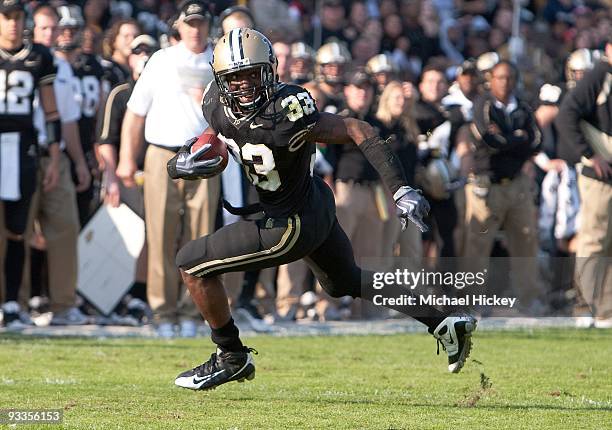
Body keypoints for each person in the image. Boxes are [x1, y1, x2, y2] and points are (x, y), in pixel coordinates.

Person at [167, 28, 477, 391]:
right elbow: (214, 134)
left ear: (271, 70)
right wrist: (182, 162)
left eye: (254, 74)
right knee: (346, 280)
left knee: (191, 262)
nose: (246, 86)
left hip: (289, 223)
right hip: (315, 204)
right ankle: (441, 321)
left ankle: (231, 356)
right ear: (222, 80)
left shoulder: (288, 110)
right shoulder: (216, 102)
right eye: (236, 78)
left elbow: (358, 129)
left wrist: (399, 187)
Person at [117, 0, 221, 338]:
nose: (195, 29)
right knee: (160, 234)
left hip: (204, 152)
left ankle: (195, 309)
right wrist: (126, 159)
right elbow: (136, 112)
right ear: (178, 26)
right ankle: (162, 311)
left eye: (200, 22)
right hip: (162, 152)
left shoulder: (219, 61)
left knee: (201, 237)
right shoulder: (161, 60)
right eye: (190, 22)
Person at [29, 4, 92, 325]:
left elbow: (68, 122)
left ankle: (64, 304)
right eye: (44, 29)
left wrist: (78, 162)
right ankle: (16, 304)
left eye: (54, 29)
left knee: (65, 229)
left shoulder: (62, 68)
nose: (51, 35)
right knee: (16, 231)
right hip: (22, 153)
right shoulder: (19, 64)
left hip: (57, 157)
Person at [0, 0, 61, 326]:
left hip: (22, 147)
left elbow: (51, 112)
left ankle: (11, 301)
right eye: (6, 16)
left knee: (16, 230)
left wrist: (53, 157)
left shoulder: (39, 56)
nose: (12, 23)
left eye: (17, 17)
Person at [465, 60, 543, 311]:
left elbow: (536, 141)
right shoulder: (483, 105)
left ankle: (527, 299)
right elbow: (488, 140)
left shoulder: (522, 107)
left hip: (517, 183)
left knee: (526, 240)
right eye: (500, 78)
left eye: (509, 78)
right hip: (488, 184)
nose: (505, 83)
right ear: (491, 79)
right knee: (479, 244)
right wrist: (517, 138)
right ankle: (473, 300)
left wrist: (510, 139)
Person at [556, 38, 612, 328]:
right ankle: (584, 307)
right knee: (592, 240)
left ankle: (606, 310)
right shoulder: (598, 75)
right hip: (598, 177)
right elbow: (565, 116)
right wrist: (590, 155)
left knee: (609, 243)